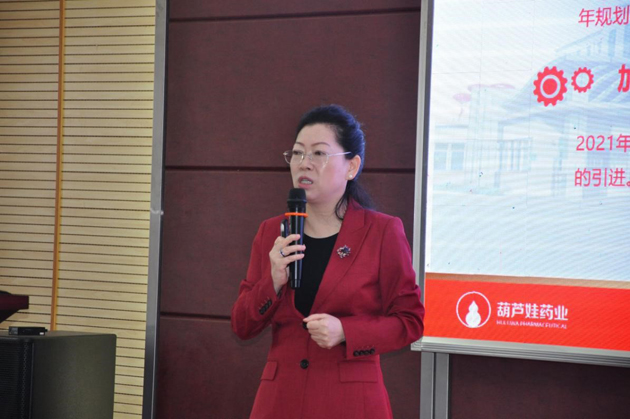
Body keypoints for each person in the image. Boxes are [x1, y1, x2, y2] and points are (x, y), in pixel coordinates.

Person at [231, 105, 425, 419]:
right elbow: (242, 326)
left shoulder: (381, 232)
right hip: (280, 400)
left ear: (352, 166)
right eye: (297, 153)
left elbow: (410, 322)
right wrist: (274, 281)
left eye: (319, 153)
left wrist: (347, 331)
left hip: (350, 402)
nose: (304, 163)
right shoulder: (271, 232)